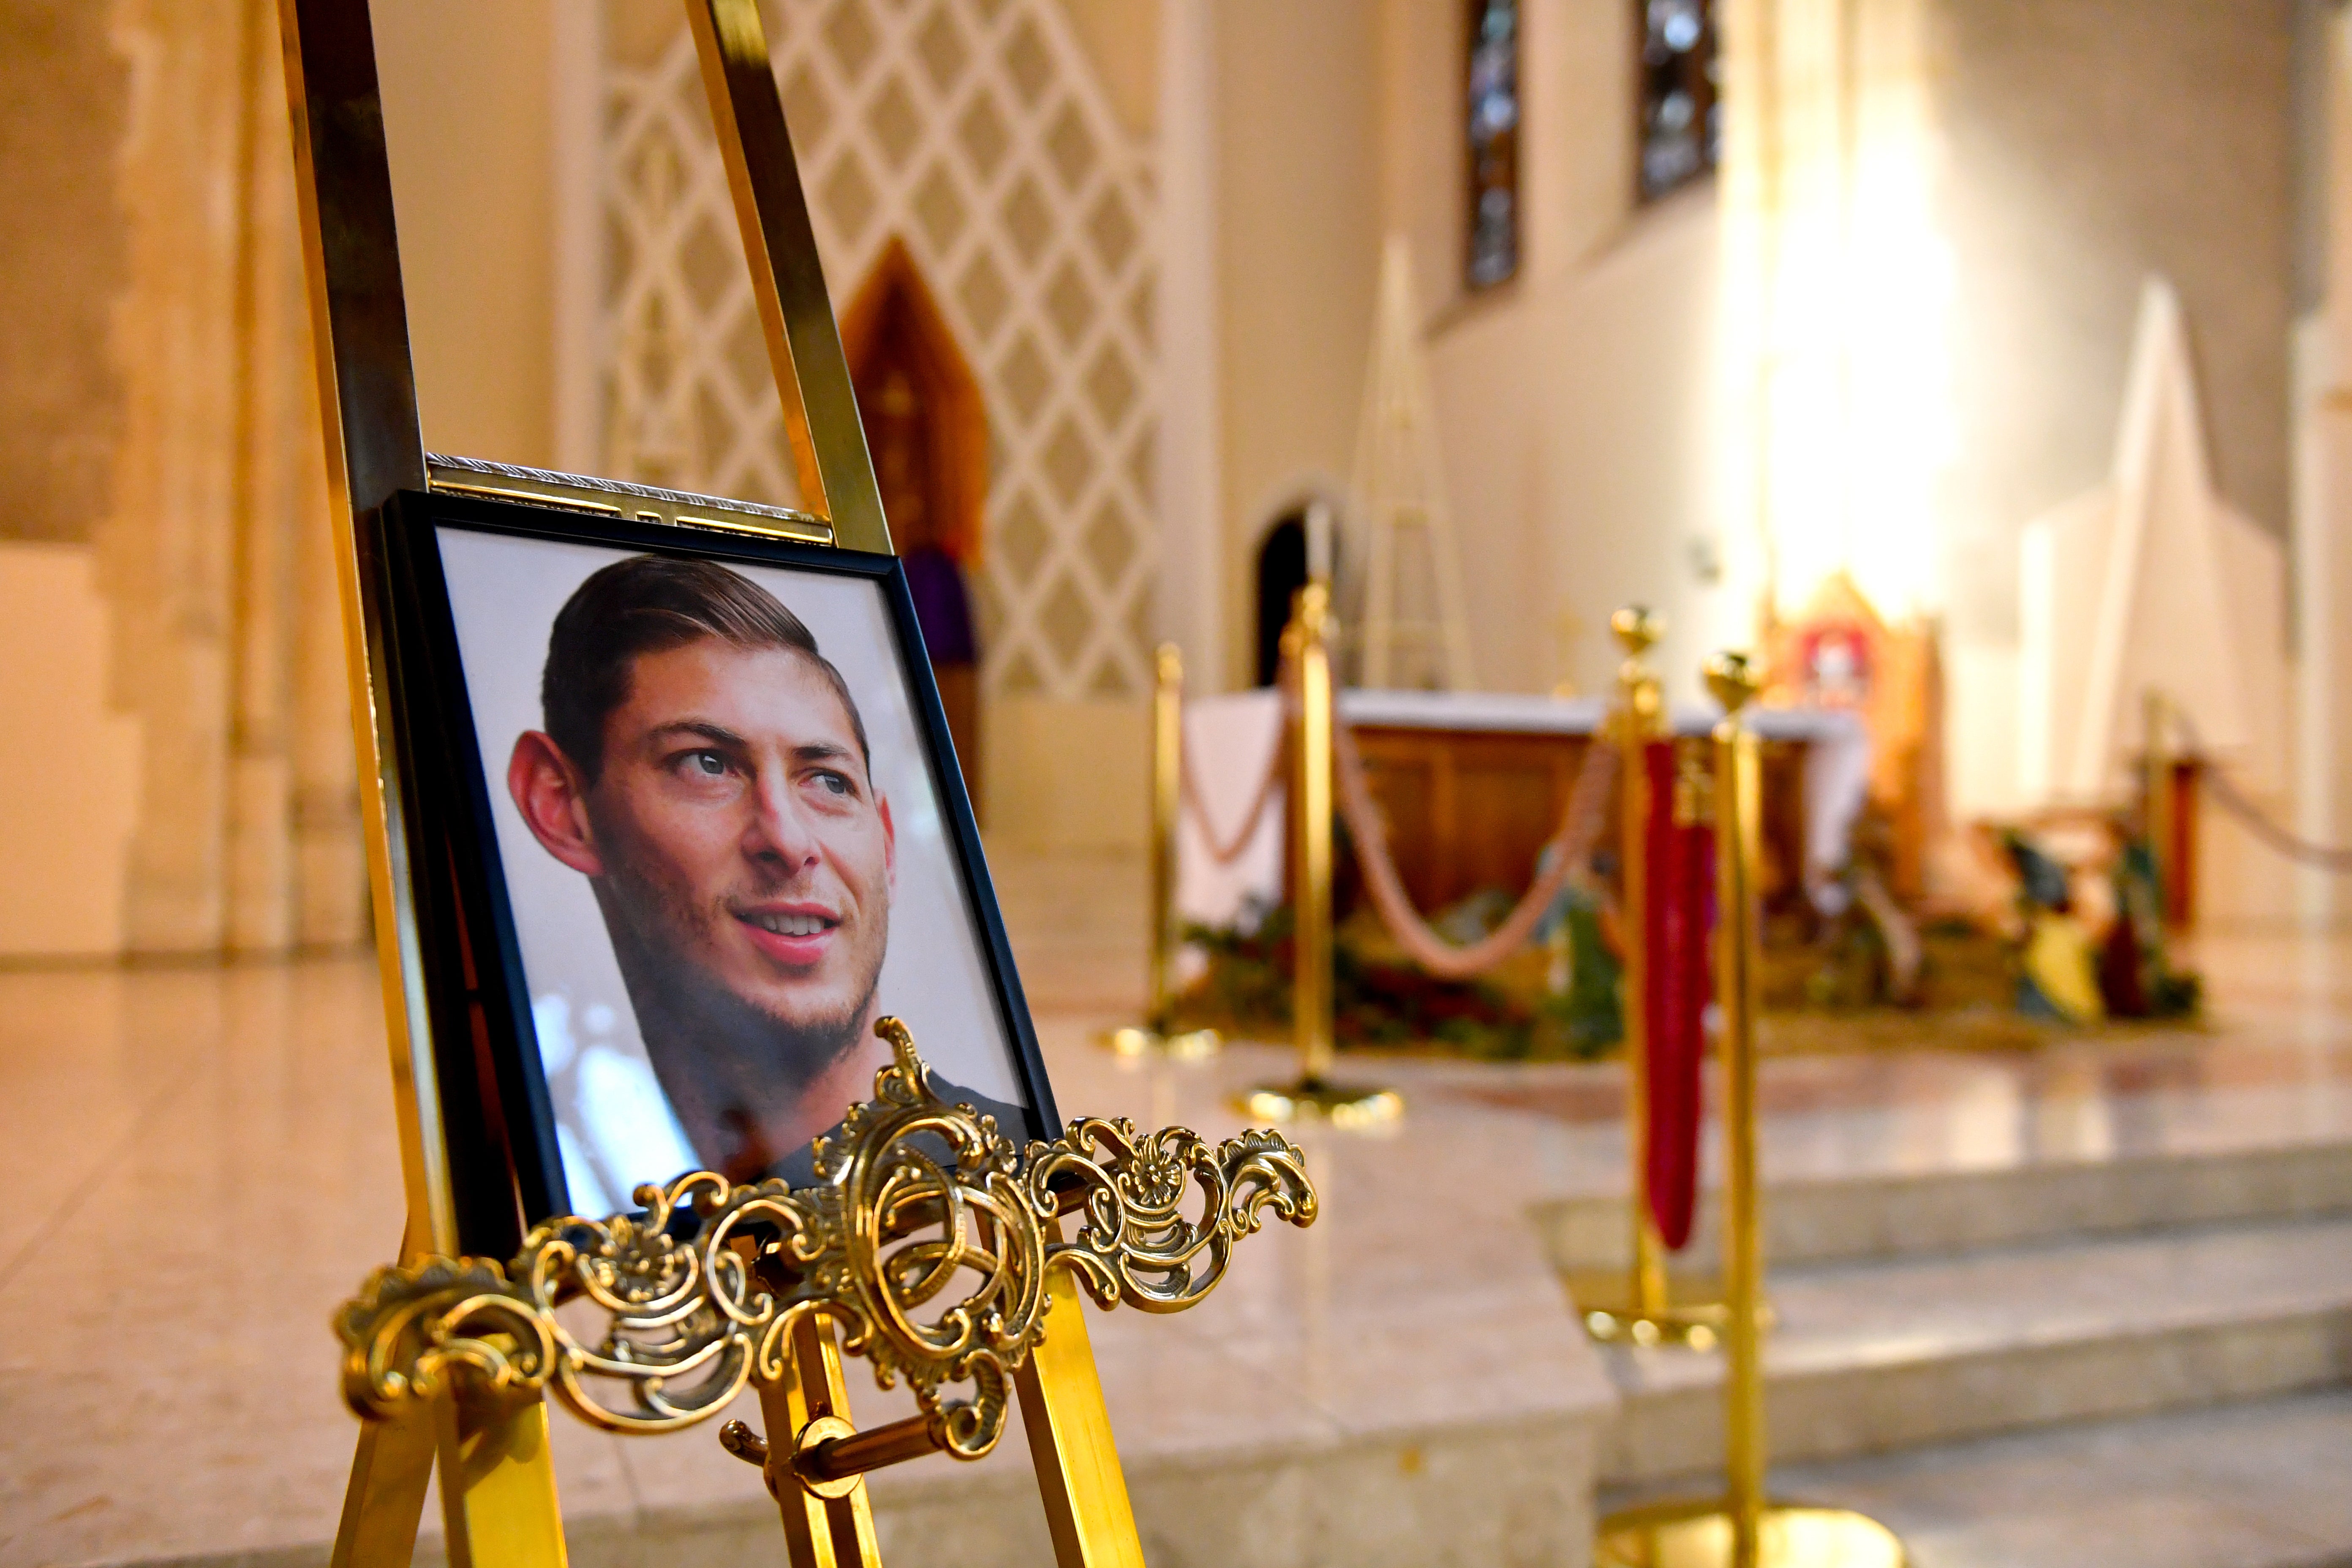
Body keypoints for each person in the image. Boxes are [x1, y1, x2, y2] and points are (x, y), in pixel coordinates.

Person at [507, 553, 1022, 1186]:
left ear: (886, 844)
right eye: (706, 765)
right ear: (560, 804)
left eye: (829, 781)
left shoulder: (1006, 1178)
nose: (787, 838)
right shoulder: (580, 1203)